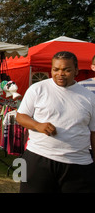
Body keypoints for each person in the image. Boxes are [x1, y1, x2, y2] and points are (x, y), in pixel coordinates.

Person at [16, 51, 95, 193]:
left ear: (76, 70)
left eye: (66, 70)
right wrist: (37, 125)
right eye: (56, 69)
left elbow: (94, 133)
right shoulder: (37, 89)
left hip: (78, 163)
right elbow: (21, 116)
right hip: (39, 158)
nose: (60, 74)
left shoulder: (89, 97)